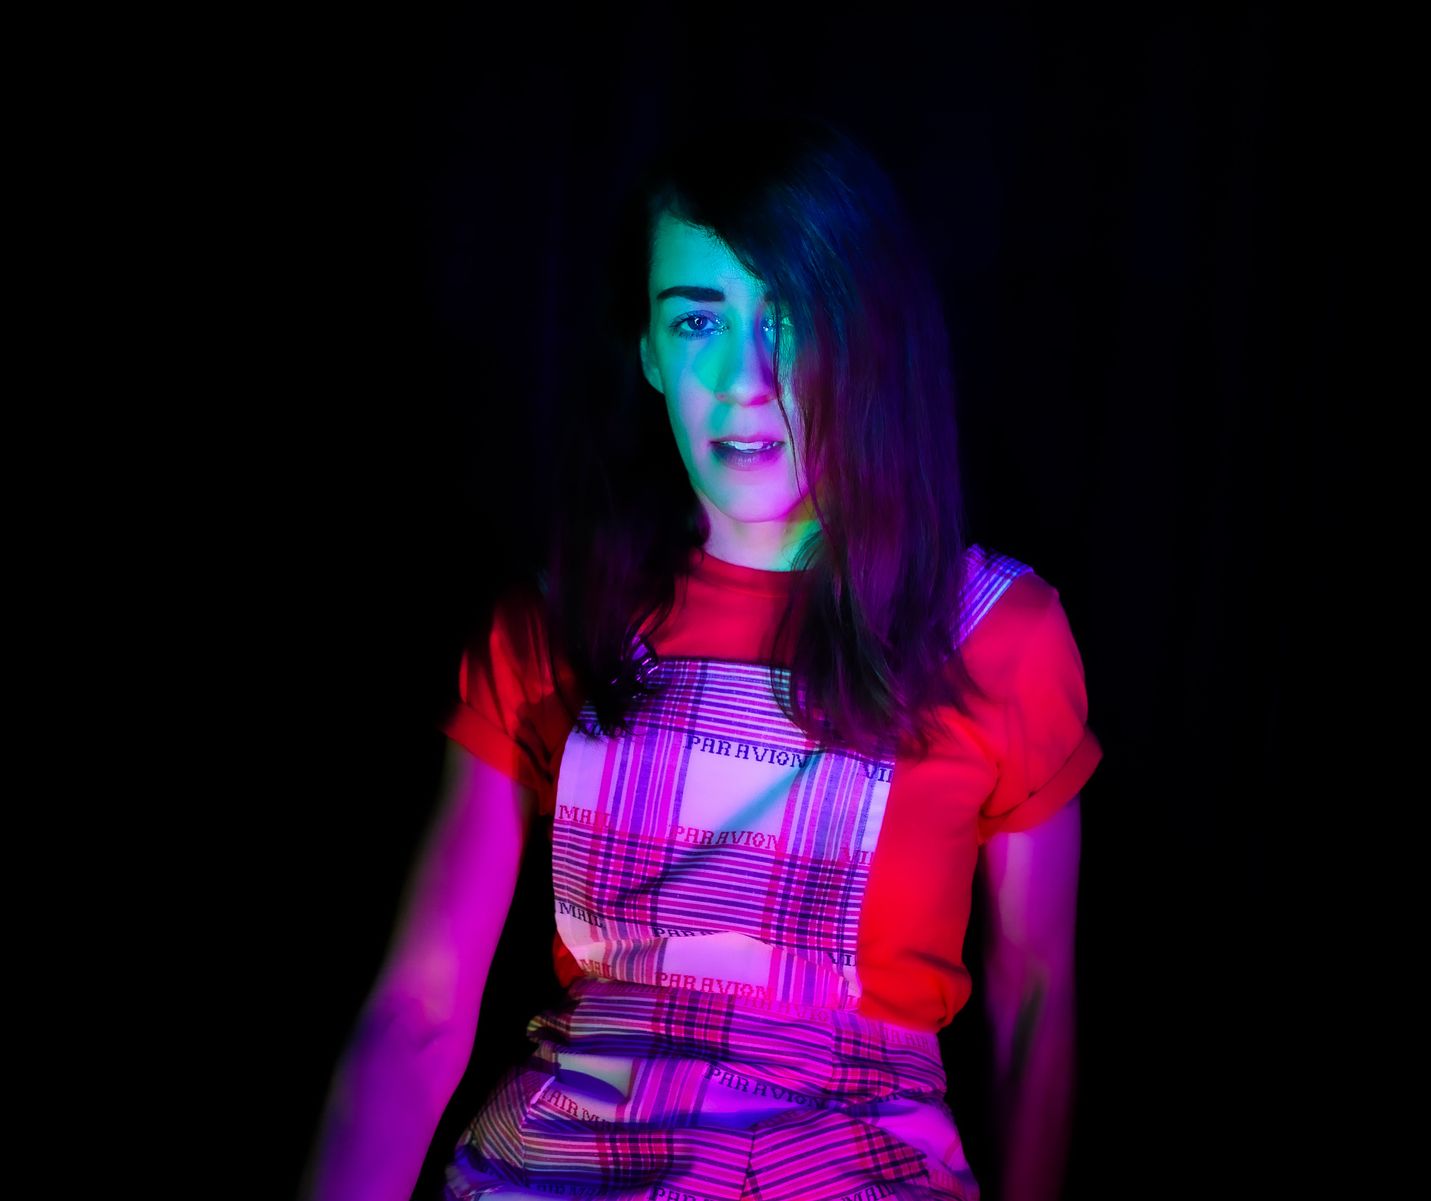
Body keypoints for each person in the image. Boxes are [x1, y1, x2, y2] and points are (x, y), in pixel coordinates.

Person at [301, 115, 1102, 1201]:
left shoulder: (997, 633)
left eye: (791, 319)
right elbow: (421, 1005)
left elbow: (1035, 999)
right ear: (646, 349)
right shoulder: (551, 626)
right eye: (696, 320)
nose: (743, 378)